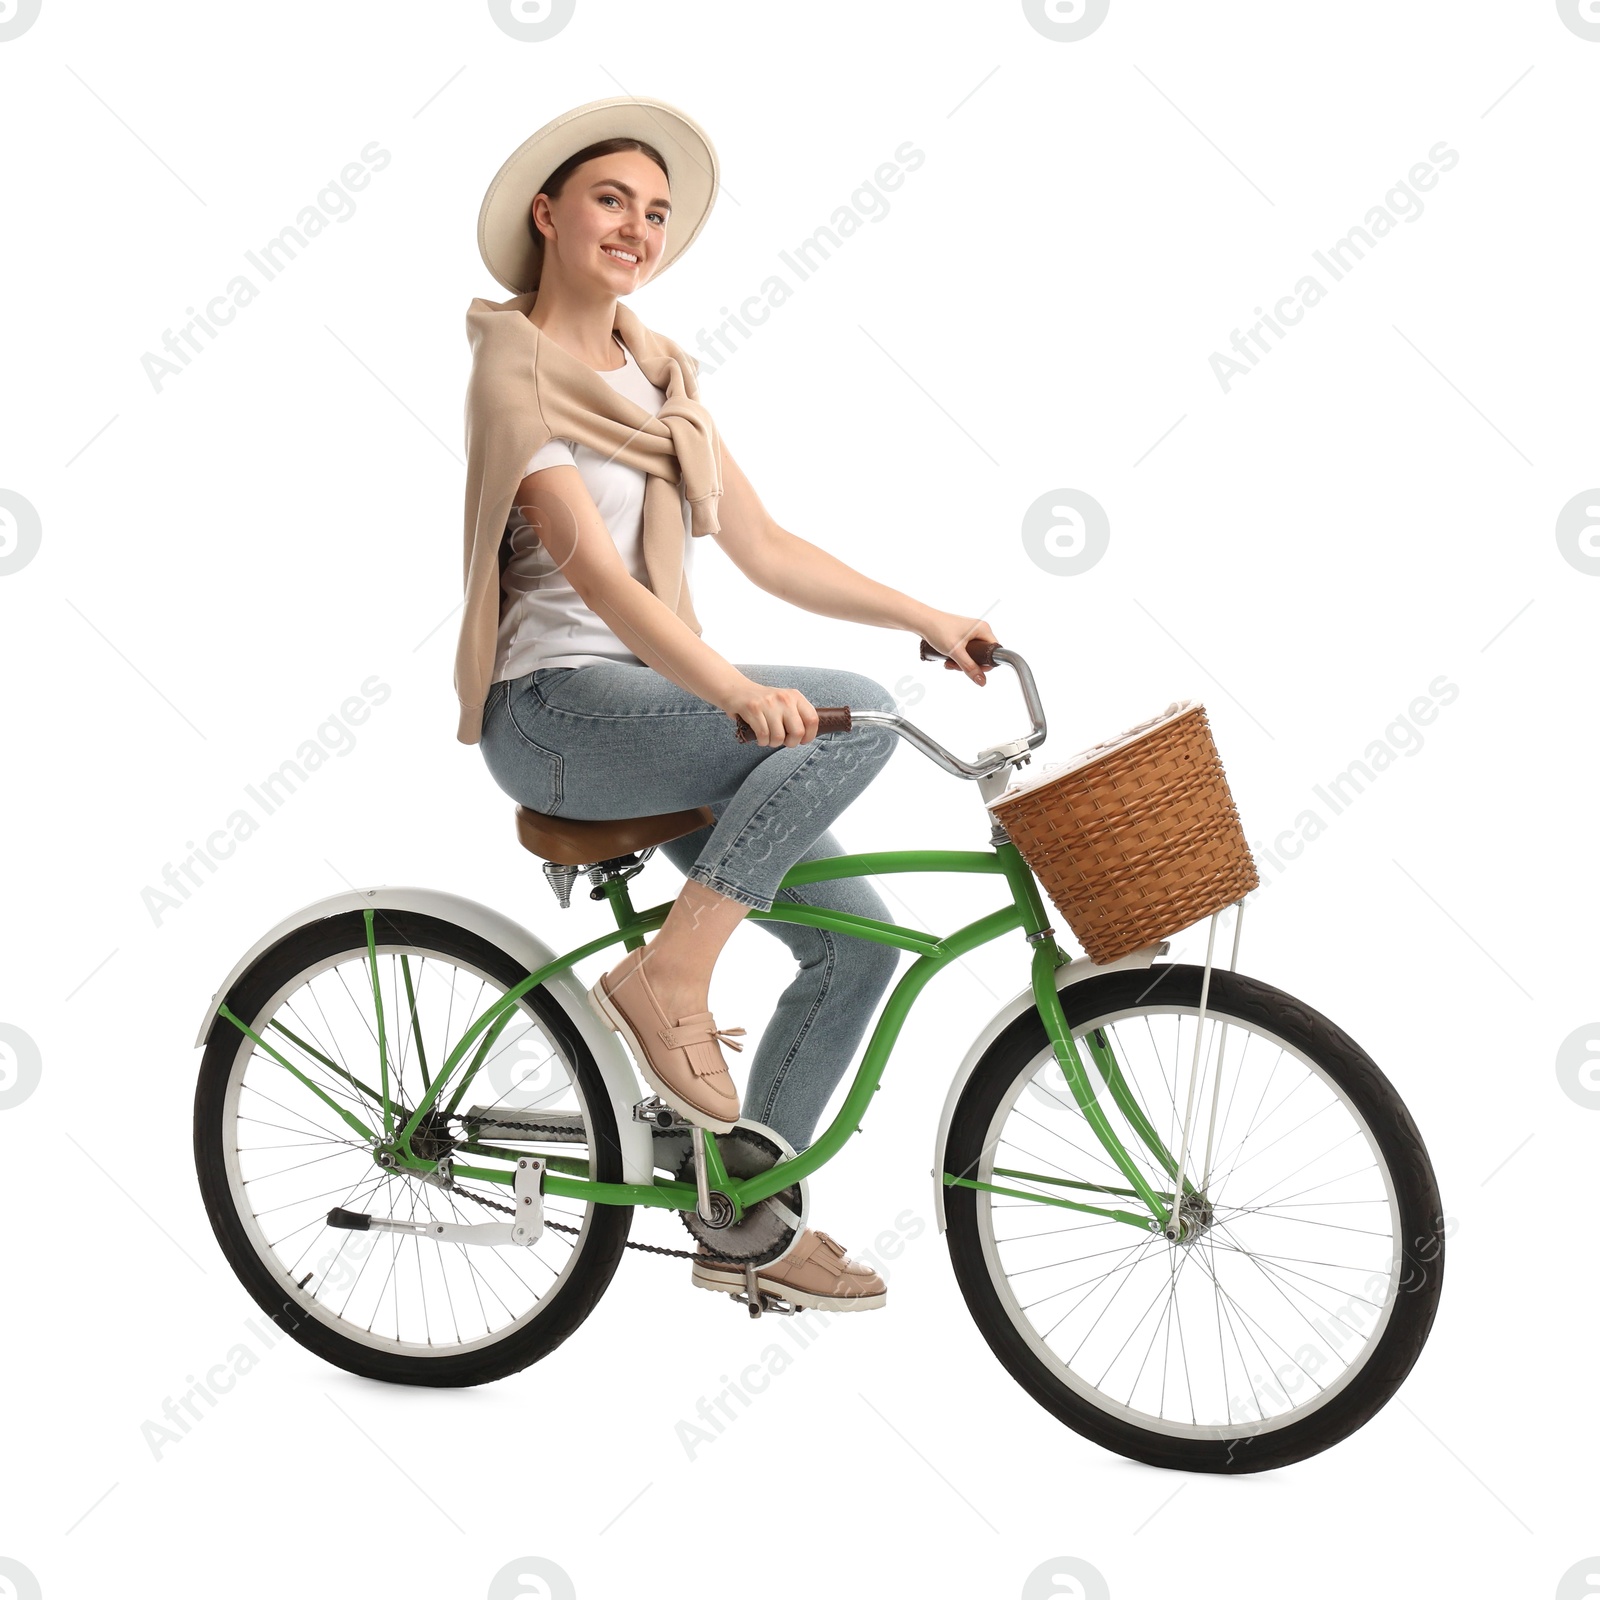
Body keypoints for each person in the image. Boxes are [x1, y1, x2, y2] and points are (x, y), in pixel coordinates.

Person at [461, 98, 996, 1312]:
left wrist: (926, 612)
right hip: (553, 713)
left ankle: (744, 1222)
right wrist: (735, 690)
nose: (635, 227)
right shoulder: (514, 374)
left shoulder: (658, 380)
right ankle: (665, 980)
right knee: (849, 712)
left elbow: (755, 541)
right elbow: (592, 575)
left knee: (854, 948)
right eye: (610, 200)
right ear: (548, 215)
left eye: (654, 212)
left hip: (652, 706)